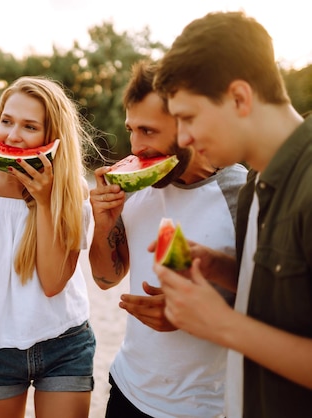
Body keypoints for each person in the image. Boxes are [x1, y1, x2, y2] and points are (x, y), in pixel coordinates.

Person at [151, 11, 312, 418]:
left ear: (239, 97)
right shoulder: (255, 180)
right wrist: (223, 269)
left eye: (188, 117)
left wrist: (221, 324)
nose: (182, 138)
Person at [88, 60, 247, 417]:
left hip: (204, 406)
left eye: (148, 131)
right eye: (131, 130)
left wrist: (189, 315)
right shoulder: (136, 187)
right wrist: (103, 224)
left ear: (187, 125)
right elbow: (106, 278)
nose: (136, 146)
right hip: (127, 390)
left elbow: (268, 304)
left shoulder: (241, 194)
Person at [0, 76, 97, 418]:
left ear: (51, 137)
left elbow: (53, 282)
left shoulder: (72, 191)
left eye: (29, 126)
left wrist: (44, 203)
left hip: (64, 342)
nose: (12, 136)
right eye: (6, 121)